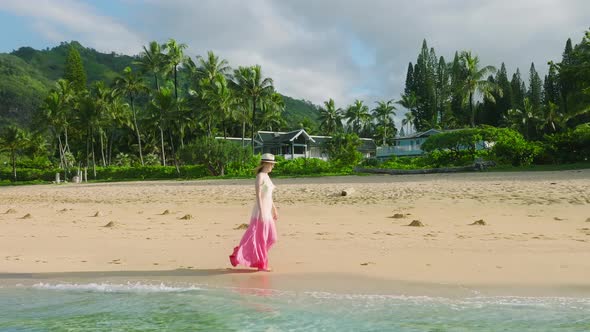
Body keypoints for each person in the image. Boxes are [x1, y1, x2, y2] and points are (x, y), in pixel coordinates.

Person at [229, 153, 279, 271]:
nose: (273, 166)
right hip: (260, 211)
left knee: (272, 238)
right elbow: (258, 196)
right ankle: (262, 264)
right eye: (271, 164)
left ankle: (258, 258)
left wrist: (274, 209)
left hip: (267, 210)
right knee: (261, 238)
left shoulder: (267, 176)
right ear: (265, 164)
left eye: (273, 164)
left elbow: (269, 196)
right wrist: (261, 212)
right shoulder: (260, 176)